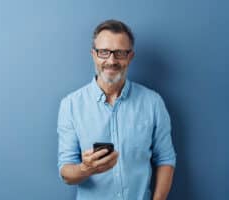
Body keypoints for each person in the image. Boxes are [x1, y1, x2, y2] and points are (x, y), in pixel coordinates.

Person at [57, 19, 176, 200]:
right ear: (94, 55)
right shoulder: (71, 105)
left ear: (130, 56)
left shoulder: (153, 102)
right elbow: (66, 173)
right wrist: (85, 169)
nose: (111, 61)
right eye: (104, 52)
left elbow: (166, 159)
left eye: (120, 53)